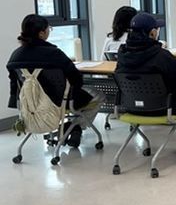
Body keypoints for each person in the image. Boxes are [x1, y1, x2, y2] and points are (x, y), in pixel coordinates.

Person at [7, 15, 105, 147]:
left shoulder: (15, 56)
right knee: (99, 94)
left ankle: (73, 127)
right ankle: (75, 126)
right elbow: (76, 79)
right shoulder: (53, 53)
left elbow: (14, 85)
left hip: (30, 104)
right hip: (58, 102)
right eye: (49, 29)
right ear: (41, 33)